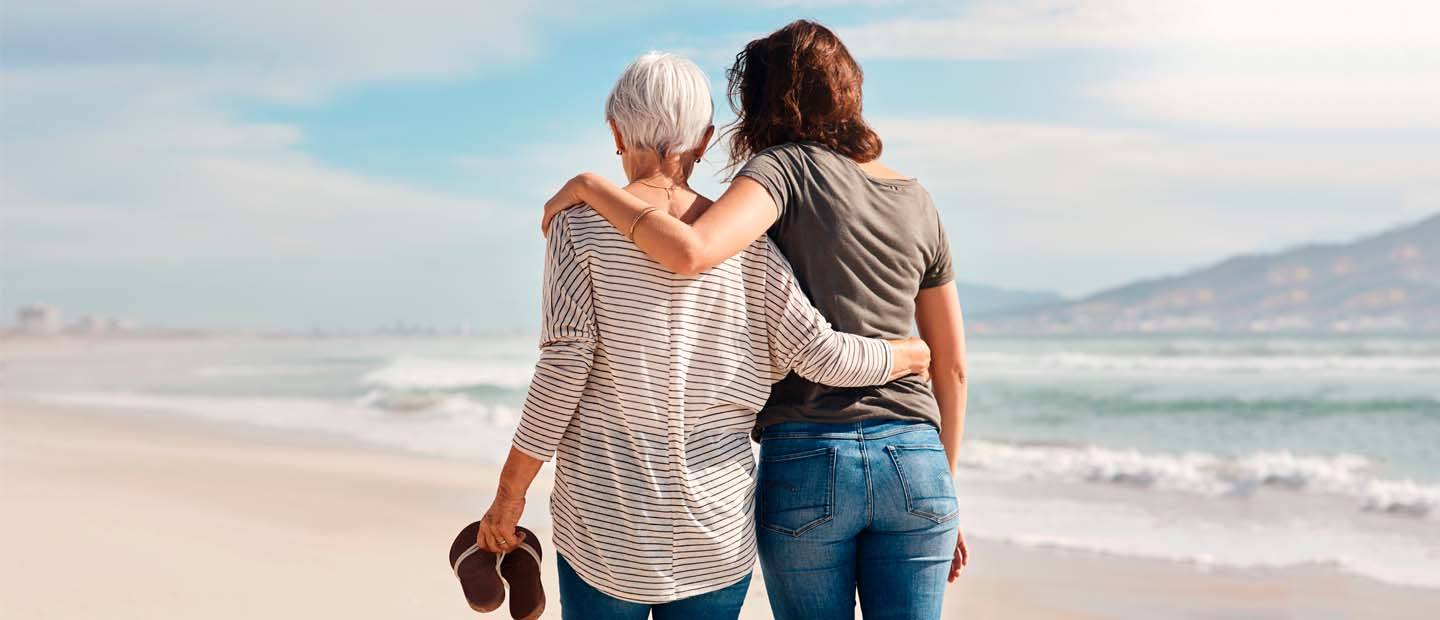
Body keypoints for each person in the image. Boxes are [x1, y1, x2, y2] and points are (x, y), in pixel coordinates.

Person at [476, 51, 933, 620]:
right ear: (704, 139)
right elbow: (823, 357)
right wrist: (907, 354)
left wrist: (510, 494)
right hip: (714, 531)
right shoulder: (749, 246)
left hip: (605, 523)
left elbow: (563, 369)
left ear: (616, 132)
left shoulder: (579, 223)